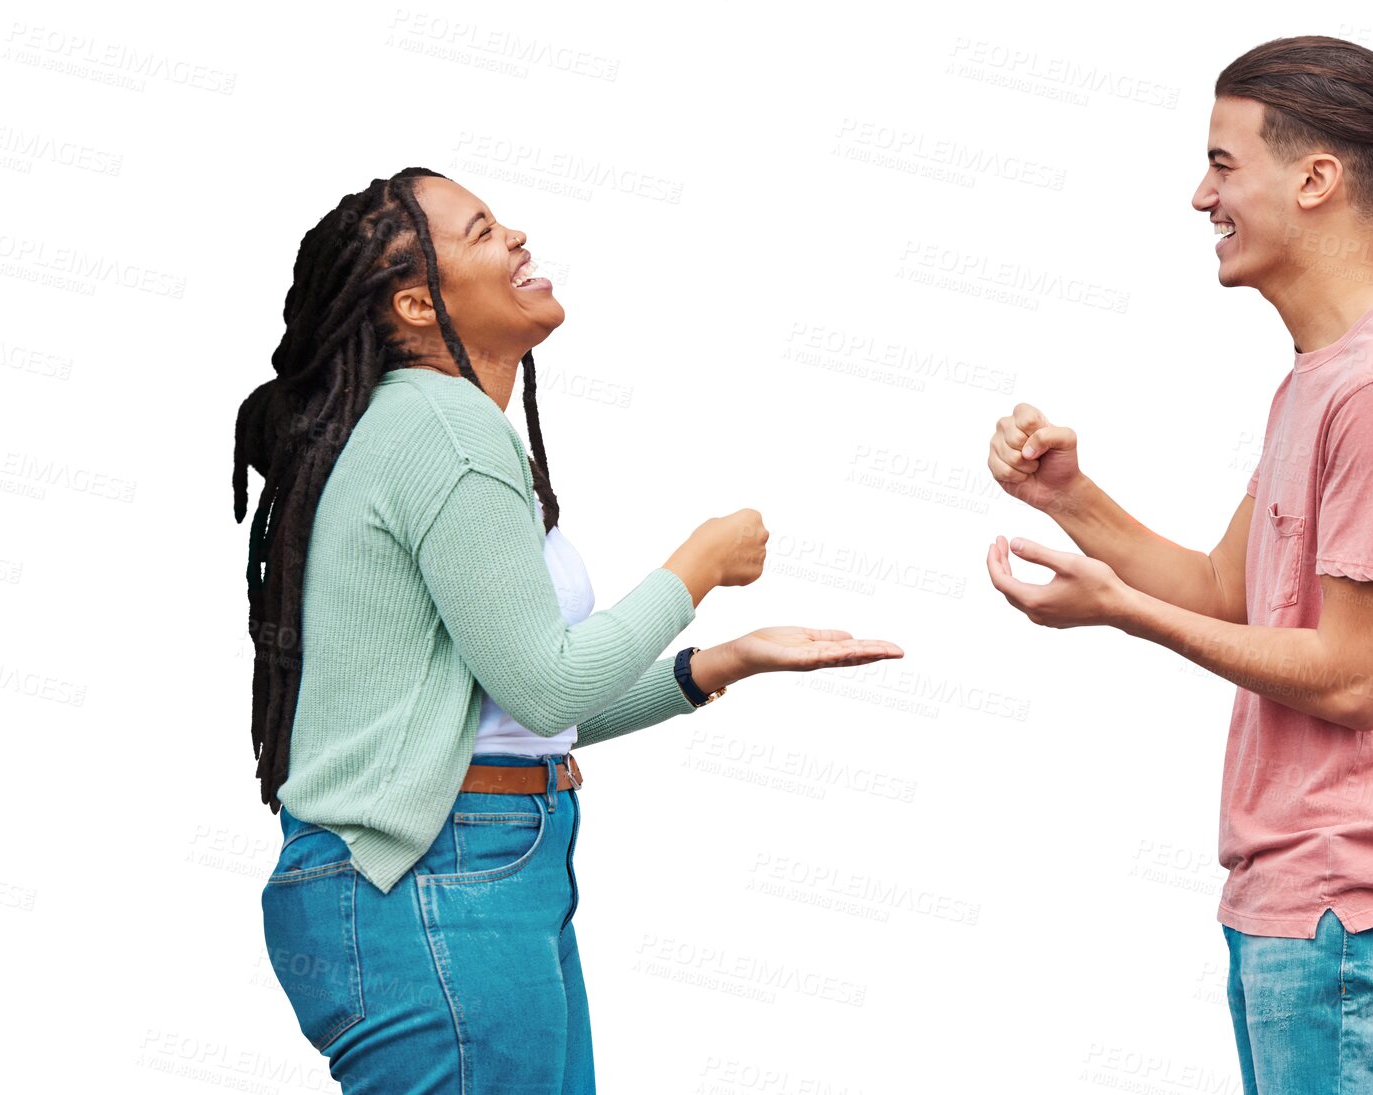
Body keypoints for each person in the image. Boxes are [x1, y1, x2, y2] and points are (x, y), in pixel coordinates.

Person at [232, 166, 902, 1093]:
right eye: (479, 232)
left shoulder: (427, 427)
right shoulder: (443, 426)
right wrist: (698, 565)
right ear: (419, 304)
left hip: (467, 869)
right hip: (439, 878)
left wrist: (718, 666)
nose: (516, 239)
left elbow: (526, 701)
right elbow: (551, 683)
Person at [984, 35, 1373, 1094]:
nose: (1196, 196)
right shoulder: (1325, 375)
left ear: (1312, 180)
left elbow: (1353, 680)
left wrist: (1121, 611)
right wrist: (1070, 500)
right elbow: (1233, 593)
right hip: (1314, 906)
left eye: (1222, 164)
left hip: (1351, 910)